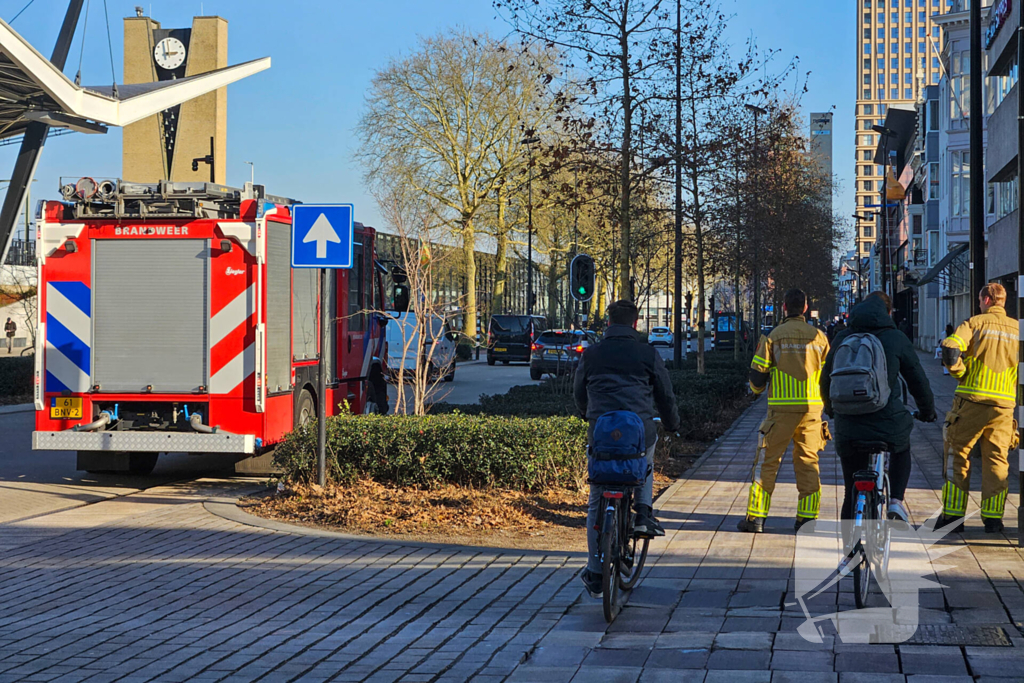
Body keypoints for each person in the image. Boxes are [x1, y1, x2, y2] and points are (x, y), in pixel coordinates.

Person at [574, 299, 680, 597]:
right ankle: (644, 513)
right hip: (639, 432)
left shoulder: (592, 354)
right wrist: (672, 424)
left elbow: (579, 392)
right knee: (645, 455)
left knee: (597, 498)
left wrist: (587, 416)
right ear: (635, 324)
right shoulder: (647, 353)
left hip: (602, 434)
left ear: (608, 322)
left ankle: (596, 572)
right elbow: (665, 394)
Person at [821, 291, 936, 526]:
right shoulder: (895, 338)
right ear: (889, 312)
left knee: (849, 491)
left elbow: (825, 379)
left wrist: (832, 410)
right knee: (901, 447)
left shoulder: (843, 337)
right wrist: (927, 410)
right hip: (888, 421)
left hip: (848, 424)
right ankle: (895, 501)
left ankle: (850, 553)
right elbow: (917, 379)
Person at [739, 289, 830, 533]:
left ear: (783, 307)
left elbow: (758, 374)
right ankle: (807, 519)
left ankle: (756, 518)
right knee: (808, 463)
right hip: (811, 411)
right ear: (806, 308)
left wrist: (756, 390)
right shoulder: (820, 337)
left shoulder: (773, 336)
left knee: (767, 463)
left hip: (779, 413)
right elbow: (827, 375)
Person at [939, 283, 1019, 533]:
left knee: (957, 455)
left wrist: (960, 373)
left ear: (985, 300)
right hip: (1004, 406)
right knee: (997, 460)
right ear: (1003, 301)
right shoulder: (1019, 328)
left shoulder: (974, 323)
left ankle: (953, 517)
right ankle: (993, 519)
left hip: (971, 401)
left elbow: (951, 348)